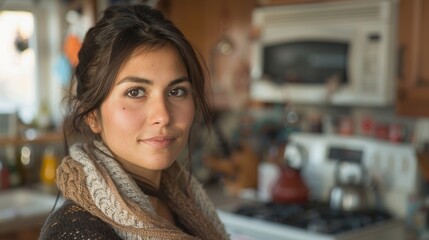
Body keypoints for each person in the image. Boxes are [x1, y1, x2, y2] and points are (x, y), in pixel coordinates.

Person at [40, 3, 229, 240]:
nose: (163, 115)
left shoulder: (184, 206)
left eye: (177, 91)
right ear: (91, 115)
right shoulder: (77, 231)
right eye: (135, 92)